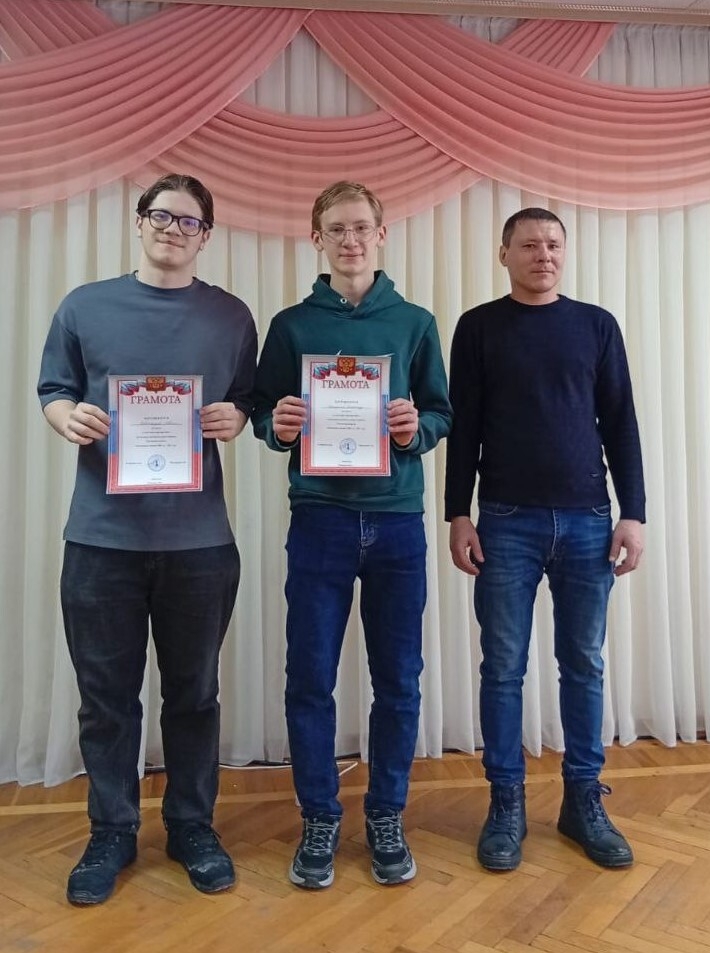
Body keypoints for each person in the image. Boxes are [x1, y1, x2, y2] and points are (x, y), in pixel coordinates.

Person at [37, 173, 258, 905]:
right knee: (106, 699)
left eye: (189, 221)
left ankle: (192, 826)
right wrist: (66, 417)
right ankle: (112, 830)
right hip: (101, 540)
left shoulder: (231, 316)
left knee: (194, 695)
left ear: (206, 236)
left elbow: (246, 401)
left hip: (199, 543)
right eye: (161, 215)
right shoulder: (84, 306)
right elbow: (53, 390)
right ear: (139, 222)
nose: (173, 228)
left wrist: (235, 418)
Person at [252, 181, 451, 890]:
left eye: (361, 226)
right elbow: (263, 414)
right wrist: (277, 427)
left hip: (397, 522)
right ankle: (319, 816)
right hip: (320, 521)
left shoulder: (416, 322)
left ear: (381, 234)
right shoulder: (291, 326)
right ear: (317, 238)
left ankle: (387, 813)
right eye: (336, 228)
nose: (350, 239)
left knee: (398, 679)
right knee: (309, 677)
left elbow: (441, 412)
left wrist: (415, 429)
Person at [445, 207, 645, 873]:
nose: (543, 254)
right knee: (502, 667)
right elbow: (464, 426)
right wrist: (457, 513)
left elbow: (620, 422)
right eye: (529, 244)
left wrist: (634, 513)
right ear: (504, 253)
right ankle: (506, 803)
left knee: (583, 663)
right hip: (504, 521)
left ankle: (583, 801)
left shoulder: (596, 325)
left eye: (553, 244)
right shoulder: (478, 327)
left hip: (589, 519)